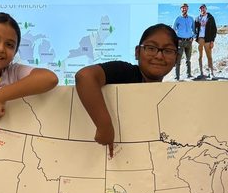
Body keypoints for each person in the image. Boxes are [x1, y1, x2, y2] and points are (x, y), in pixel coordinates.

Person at [75, 24, 179, 158]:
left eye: (168, 51)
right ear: (137, 52)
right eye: (151, 48)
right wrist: (104, 127)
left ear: (177, 58)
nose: (159, 56)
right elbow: (85, 77)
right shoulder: (126, 72)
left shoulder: (168, 96)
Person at [172, 3, 194, 80]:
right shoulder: (177, 18)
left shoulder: (191, 19)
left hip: (189, 42)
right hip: (180, 42)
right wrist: (176, 39)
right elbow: (173, 30)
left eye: (185, 8)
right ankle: (177, 77)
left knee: (188, 59)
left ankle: (189, 75)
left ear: (187, 8)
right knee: (178, 60)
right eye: (183, 8)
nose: (184, 9)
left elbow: (194, 30)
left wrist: (193, 37)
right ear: (181, 9)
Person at [194, 4, 217, 79]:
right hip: (200, 39)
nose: (202, 10)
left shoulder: (210, 17)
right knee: (200, 56)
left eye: (203, 8)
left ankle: (211, 73)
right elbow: (194, 29)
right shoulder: (197, 18)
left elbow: (214, 29)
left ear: (206, 9)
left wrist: (212, 40)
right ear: (199, 10)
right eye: (201, 9)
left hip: (208, 39)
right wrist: (195, 37)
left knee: (209, 56)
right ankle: (201, 73)